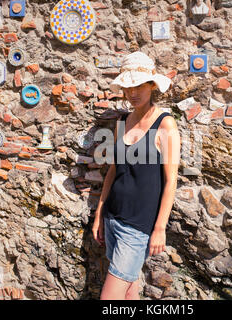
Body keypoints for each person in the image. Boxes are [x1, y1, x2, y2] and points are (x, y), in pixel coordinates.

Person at [92, 51, 181, 300]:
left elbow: (171, 181)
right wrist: (99, 214)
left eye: (139, 85)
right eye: (127, 87)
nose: (132, 93)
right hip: (112, 219)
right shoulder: (123, 120)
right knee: (129, 292)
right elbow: (113, 171)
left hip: (137, 228)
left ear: (152, 85)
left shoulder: (165, 124)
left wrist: (160, 228)